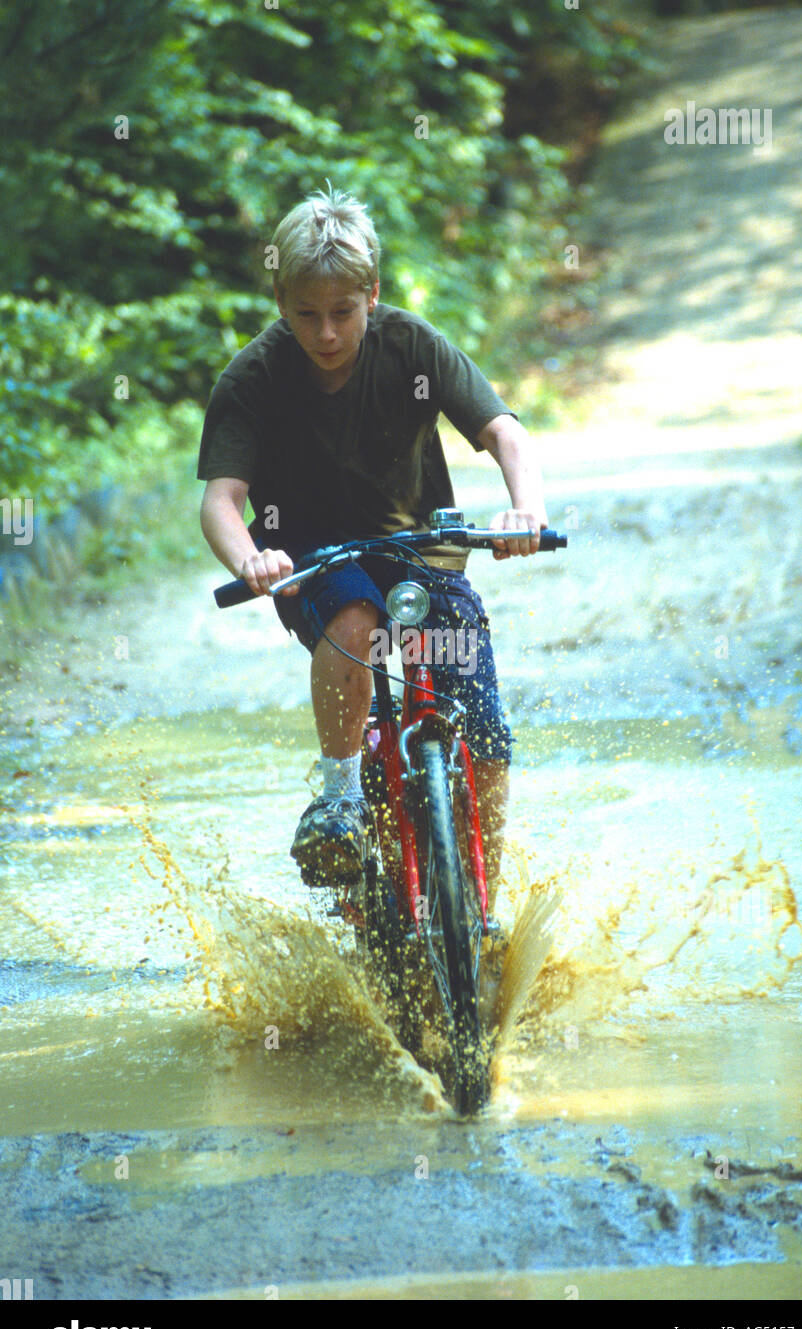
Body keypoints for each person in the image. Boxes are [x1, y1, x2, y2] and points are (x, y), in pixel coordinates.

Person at [197, 185, 548, 898]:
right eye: (305, 314)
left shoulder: (412, 345)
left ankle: (481, 908)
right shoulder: (252, 379)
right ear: (279, 302)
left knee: (483, 735)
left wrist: (525, 512)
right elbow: (221, 500)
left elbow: (504, 433)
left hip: (419, 552)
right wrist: (252, 560)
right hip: (313, 560)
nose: (325, 333)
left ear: (372, 295)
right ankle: (339, 799)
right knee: (355, 620)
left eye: (342, 313)